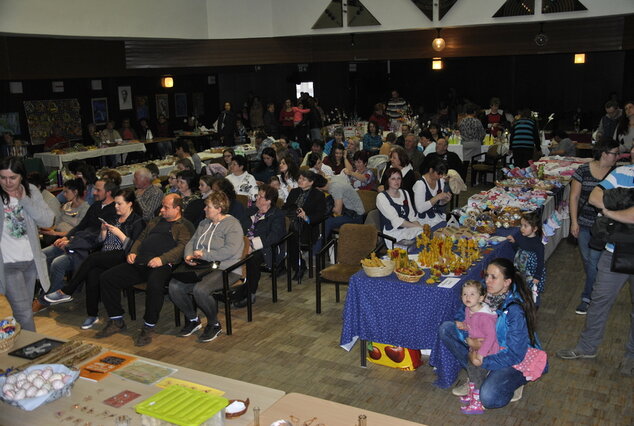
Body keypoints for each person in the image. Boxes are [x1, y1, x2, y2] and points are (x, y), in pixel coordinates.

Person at [557, 161, 634, 376]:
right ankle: (587, 347)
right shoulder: (622, 172)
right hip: (613, 251)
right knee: (599, 300)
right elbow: (594, 197)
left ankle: (632, 355)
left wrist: (610, 212)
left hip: (619, 245)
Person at [440, 258, 544, 410]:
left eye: (493, 277)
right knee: (446, 329)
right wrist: (469, 340)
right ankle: (476, 376)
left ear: (507, 282)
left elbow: (515, 354)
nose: (487, 280)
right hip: (483, 349)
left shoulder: (515, 309)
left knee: (488, 397)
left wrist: (481, 360)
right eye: (486, 275)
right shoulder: (483, 291)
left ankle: (513, 381)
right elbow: (462, 316)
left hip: (509, 356)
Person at [96, 193, 195, 346]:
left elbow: (182, 247)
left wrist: (162, 259)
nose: (161, 210)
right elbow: (141, 238)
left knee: (155, 285)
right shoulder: (155, 221)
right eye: (162, 206)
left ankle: (149, 326)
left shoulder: (184, 225)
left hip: (163, 265)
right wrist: (133, 252)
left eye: (166, 207)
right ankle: (116, 320)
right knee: (107, 277)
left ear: (177, 209)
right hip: (140, 261)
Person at [43, 188, 146, 329]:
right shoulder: (114, 217)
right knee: (92, 274)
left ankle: (67, 290)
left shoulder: (137, 222)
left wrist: (120, 234)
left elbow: (135, 248)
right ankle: (92, 315)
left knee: (93, 258)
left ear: (130, 204)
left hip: (123, 256)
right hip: (107, 255)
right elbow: (101, 242)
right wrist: (103, 232)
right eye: (115, 203)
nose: (116, 206)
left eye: (119, 204)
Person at [168, 191, 244, 342]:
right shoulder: (204, 223)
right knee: (174, 286)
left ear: (219, 208)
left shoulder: (232, 225)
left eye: (208, 207)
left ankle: (214, 324)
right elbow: (191, 242)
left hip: (226, 268)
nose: (204, 210)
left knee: (200, 290)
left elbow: (230, 251)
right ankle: (193, 319)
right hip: (203, 267)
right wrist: (188, 256)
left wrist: (204, 255)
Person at [0, 157, 55, 331]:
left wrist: (25, 200)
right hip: (8, 264)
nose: (7, 183)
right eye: (2, 178)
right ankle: (33, 348)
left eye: (12, 178)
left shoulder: (31, 191)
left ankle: (21, 347)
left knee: (22, 312)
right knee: (24, 311)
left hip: (31, 262)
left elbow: (48, 220)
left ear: (21, 177)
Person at [41, 178, 118, 300]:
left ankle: (51, 296)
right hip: (76, 241)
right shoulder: (95, 206)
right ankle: (45, 288)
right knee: (41, 255)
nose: (94, 192)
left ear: (108, 192)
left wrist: (70, 241)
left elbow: (98, 237)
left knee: (57, 264)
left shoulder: (115, 210)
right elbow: (81, 226)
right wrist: (65, 237)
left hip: (86, 248)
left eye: (98, 190)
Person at [234, 185, 286, 308]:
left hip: (266, 249)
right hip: (244, 244)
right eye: (257, 195)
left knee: (251, 259)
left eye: (260, 196)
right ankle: (235, 288)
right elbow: (237, 227)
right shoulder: (251, 211)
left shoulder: (277, 215)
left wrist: (252, 244)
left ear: (268, 201)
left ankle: (249, 293)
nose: (256, 198)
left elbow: (273, 237)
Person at [454, 280, 500, 414]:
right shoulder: (469, 310)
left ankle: (478, 402)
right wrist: (463, 324)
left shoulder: (485, 317)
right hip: (475, 347)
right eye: (465, 294)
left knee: (479, 374)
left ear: (481, 297)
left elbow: (491, 337)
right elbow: (470, 324)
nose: (468, 297)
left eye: (472, 294)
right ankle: (473, 393)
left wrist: (482, 354)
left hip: (487, 351)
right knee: (472, 370)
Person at [283, 170, 327, 281]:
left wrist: (306, 217)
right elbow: (285, 208)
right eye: (299, 178)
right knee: (284, 231)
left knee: (291, 234)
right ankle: (281, 264)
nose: (300, 181)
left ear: (311, 182)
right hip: (292, 221)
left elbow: (321, 215)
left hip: (308, 226)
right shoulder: (294, 192)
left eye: (303, 179)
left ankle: (299, 266)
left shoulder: (318, 195)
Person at [314, 176, 365, 252]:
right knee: (323, 218)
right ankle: (322, 247)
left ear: (318, 188)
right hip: (350, 212)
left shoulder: (334, 189)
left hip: (356, 216)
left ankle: (315, 251)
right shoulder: (333, 181)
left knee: (327, 222)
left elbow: (338, 211)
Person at [506, 212, 545, 307]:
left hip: (532, 273)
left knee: (533, 291)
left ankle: (534, 306)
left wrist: (537, 276)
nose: (522, 228)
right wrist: (514, 242)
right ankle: (524, 305)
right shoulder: (521, 237)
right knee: (522, 288)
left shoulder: (538, 245)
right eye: (521, 225)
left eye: (525, 226)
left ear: (535, 229)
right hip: (521, 270)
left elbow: (540, 262)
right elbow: (518, 251)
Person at [376, 167, 424, 246]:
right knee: (418, 239)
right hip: (393, 233)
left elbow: (411, 216)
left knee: (424, 234)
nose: (396, 181)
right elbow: (396, 221)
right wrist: (417, 226)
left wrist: (419, 227)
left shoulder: (405, 193)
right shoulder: (381, 197)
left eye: (399, 178)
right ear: (387, 180)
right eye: (393, 179)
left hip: (407, 229)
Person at [40, 178, 89, 246]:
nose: (64, 194)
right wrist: (47, 230)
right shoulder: (66, 205)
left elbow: (78, 232)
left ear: (75, 192)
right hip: (58, 237)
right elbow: (57, 223)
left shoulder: (85, 208)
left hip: (71, 241)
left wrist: (55, 233)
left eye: (66, 192)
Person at [413, 158, 451, 228]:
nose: (441, 176)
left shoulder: (440, 181)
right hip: (422, 219)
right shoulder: (420, 184)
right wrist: (437, 197)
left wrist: (445, 201)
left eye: (442, 174)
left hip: (435, 215)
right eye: (439, 174)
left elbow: (439, 203)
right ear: (431, 170)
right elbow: (420, 209)